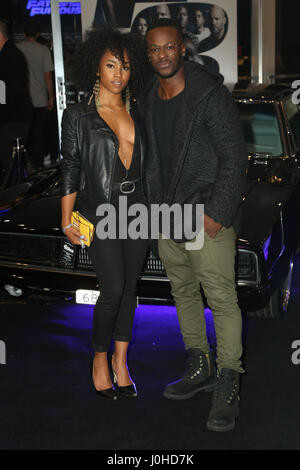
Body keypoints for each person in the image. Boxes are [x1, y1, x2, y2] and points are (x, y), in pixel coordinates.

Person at [141, 19, 247, 432]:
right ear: (148, 55)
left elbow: (234, 160)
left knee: (220, 300)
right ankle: (199, 365)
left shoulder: (210, 95)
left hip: (206, 217)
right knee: (183, 293)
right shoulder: (148, 98)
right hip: (169, 218)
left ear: (182, 48)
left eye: (169, 47)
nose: (162, 55)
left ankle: (228, 381)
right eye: (154, 50)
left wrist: (217, 214)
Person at [60, 28, 149, 400]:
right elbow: (70, 169)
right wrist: (66, 220)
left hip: (139, 212)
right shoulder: (79, 116)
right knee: (112, 288)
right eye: (111, 65)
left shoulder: (138, 110)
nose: (118, 73)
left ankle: (121, 360)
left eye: (125, 66)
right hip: (102, 212)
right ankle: (99, 358)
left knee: (129, 290)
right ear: (97, 67)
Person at [17, 18, 54, 171]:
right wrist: (51, 96)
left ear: (24, 33)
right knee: (39, 132)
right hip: (39, 98)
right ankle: (38, 164)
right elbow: (47, 77)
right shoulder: (43, 50)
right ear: (38, 34)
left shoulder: (16, 49)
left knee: (24, 134)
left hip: (22, 99)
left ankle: (25, 163)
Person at [0, 18, 33, 185]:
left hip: (12, 119)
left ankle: (18, 202)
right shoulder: (10, 54)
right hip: (16, 116)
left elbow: (7, 90)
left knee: (12, 164)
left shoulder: (8, 56)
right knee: (14, 163)